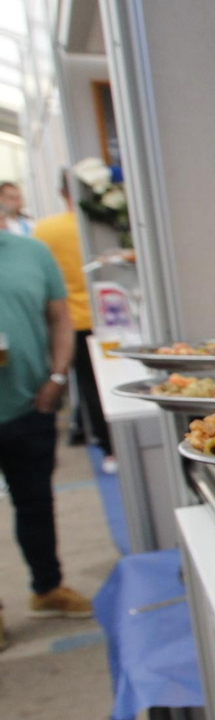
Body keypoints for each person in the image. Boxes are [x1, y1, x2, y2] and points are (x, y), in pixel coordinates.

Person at [0, 224, 93, 651]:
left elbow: (60, 317)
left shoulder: (31, 253)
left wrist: (57, 376)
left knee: (35, 501)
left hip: (30, 404)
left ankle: (48, 588)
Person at [33, 170, 114, 471]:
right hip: (110, 315)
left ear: (61, 192)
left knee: (90, 384)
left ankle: (109, 448)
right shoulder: (101, 225)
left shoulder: (44, 231)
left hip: (72, 319)